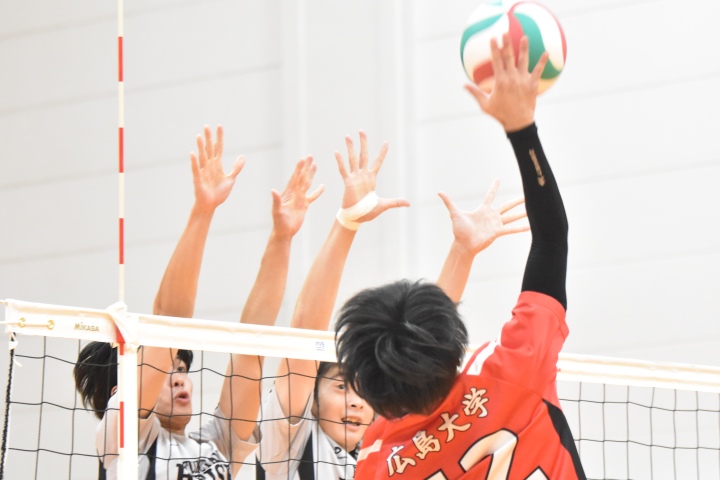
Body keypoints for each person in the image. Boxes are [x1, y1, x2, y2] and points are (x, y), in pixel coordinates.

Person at [334, 35, 586, 479]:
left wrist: (461, 252)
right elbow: (552, 239)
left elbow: (422, 349)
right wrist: (521, 129)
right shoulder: (513, 372)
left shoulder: (376, 461)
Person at [74, 125, 323, 479]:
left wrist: (282, 238)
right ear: (120, 394)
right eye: (166, 371)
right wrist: (203, 210)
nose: (179, 380)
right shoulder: (124, 443)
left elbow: (252, 345)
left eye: (181, 369)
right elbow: (169, 321)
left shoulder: (215, 445)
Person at [255, 131, 410, 479]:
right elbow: (304, 334)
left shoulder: (383, 459)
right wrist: (348, 222)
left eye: (363, 390)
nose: (355, 401)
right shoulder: (289, 446)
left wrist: (463, 252)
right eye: (341, 386)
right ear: (312, 399)